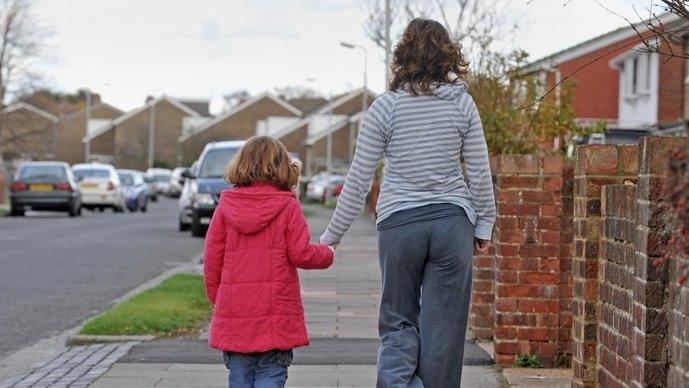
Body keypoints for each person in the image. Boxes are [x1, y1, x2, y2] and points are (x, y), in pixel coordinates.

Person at [319, 18, 496, 388]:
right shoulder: (463, 104)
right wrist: (484, 225)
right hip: (452, 224)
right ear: (448, 55)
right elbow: (479, 171)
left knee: (399, 320)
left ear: (403, 55)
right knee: (444, 331)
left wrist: (331, 237)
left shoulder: (385, 108)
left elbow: (358, 179)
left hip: (400, 225)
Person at [204, 136, 335, 388]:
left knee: (240, 376)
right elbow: (301, 253)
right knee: (272, 372)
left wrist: (217, 298)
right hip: (276, 312)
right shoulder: (287, 206)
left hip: (237, 310)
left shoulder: (225, 208)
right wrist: (327, 253)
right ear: (283, 167)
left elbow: (212, 259)